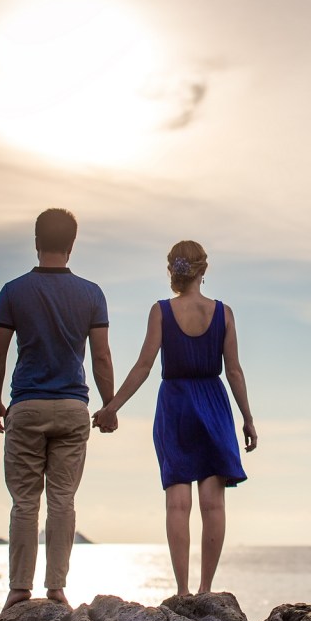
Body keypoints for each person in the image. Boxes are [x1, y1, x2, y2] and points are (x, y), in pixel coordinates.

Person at [93, 240, 257, 596]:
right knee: (213, 503)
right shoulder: (224, 313)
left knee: (177, 503)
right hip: (213, 404)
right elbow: (235, 372)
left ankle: (181, 591)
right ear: (204, 270)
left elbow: (143, 366)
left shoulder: (161, 311)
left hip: (176, 404)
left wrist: (112, 407)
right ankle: (205, 590)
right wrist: (248, 418)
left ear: (173, 270)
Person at [0, 208, 114, 611]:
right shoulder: (92, 293)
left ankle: (19, 589)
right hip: (73, 407)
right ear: (72, 244)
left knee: (25, 501)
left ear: (36, 241)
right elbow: (102, 357)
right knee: (63, 500)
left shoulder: (13, 291)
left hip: (26, 405)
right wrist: (109, 406)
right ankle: (56, 588)